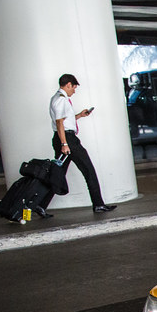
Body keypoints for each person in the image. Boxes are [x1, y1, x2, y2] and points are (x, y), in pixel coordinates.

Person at [49, 73, 114, 215]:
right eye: (74, 87)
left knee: (57, 175)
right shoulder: (61, 100)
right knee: (89, 170)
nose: (74, 90)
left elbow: (64, 121)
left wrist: (79, 115)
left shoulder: (57, 98)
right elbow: (60, 123)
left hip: (63, 138)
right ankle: (98, 204)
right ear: (68, 85)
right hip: (68, 140)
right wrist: (65, 143)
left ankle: (40, 205)